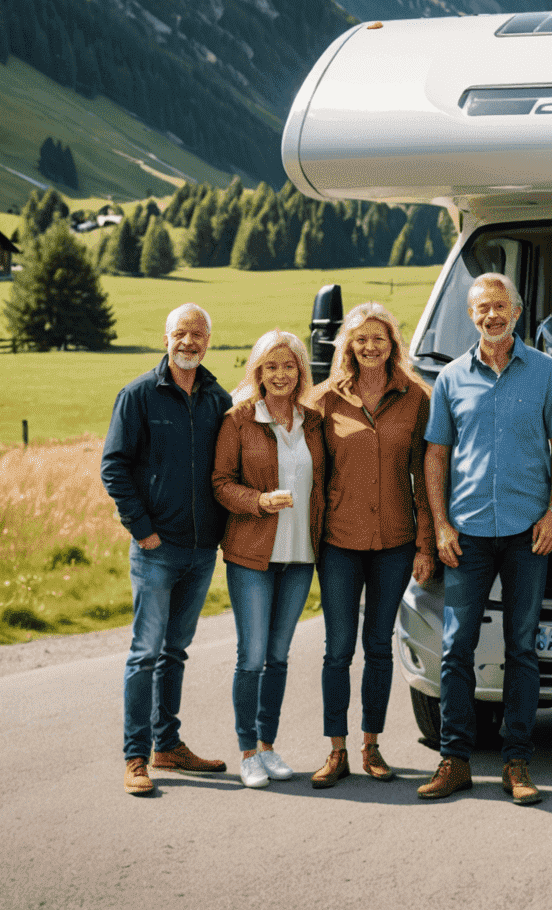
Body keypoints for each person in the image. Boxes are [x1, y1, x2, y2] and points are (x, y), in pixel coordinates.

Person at [418, 272, 552, 807]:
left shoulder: (545, 372)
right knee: (455, 647)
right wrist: (440, 523)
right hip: (466, 532)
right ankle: (455, 760)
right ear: (471, 316)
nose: (493, 314)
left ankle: (517, 761)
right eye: (482, 307)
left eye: (501, 305)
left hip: (526, 531)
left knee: (522, 647)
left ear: (516, 311)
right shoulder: (450, 380)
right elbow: (435, 455)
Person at [101, 303, 231, 796]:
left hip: (201, 552)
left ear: (208, 341)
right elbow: (113, 466)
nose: (189, 341)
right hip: (156, 549)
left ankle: (167, 744)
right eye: (181, 333)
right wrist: (142, 529)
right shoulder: (137, 396)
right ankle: (136, 758)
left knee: (175, 652)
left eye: (198, 334)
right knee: (145, 653)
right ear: (166, 338)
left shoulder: (218, 400)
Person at [304, 302, 435, 789]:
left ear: (392, 343)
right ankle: (335, 749)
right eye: (360, 339)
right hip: (339, 540)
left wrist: (426, 544)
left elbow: (425, 476)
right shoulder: (325, 400)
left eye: (378, 338)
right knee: (338, 648)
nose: (370, 346)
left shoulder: (416, 398)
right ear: (348, 346)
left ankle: (371, 745)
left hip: (396, 542)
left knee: (379, 646)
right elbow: (311, 469)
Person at [212, 329, 325, 790]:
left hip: (300, 555)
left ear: (301, 371)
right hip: (251, 555)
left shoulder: (313, 420)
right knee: (252, 656)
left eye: (289, 366)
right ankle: (246, 751)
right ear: (258, 371)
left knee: (278, 656)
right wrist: (258, 500)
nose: (280, 374)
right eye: (271, 366)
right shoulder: (239, 419)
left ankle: (268, 745)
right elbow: (220, 483)